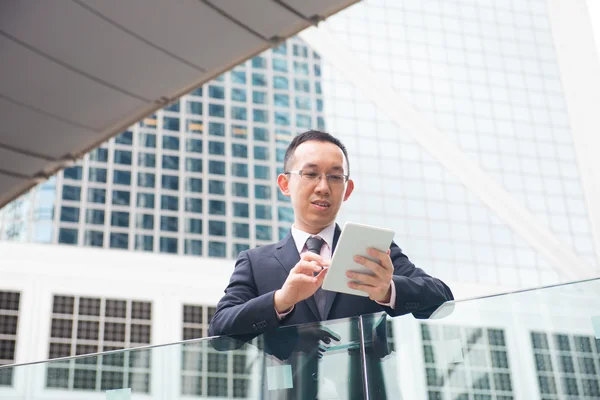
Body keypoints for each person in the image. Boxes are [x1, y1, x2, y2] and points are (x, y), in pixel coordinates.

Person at [209, 130, 453, 337]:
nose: (323, 187)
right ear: (285, 184)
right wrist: (281, 300)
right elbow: (219, 329)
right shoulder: (255, 262)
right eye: (311, 174)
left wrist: (387, 290)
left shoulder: (373, 251)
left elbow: (443, 299)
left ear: (347, 190)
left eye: (335, 177)